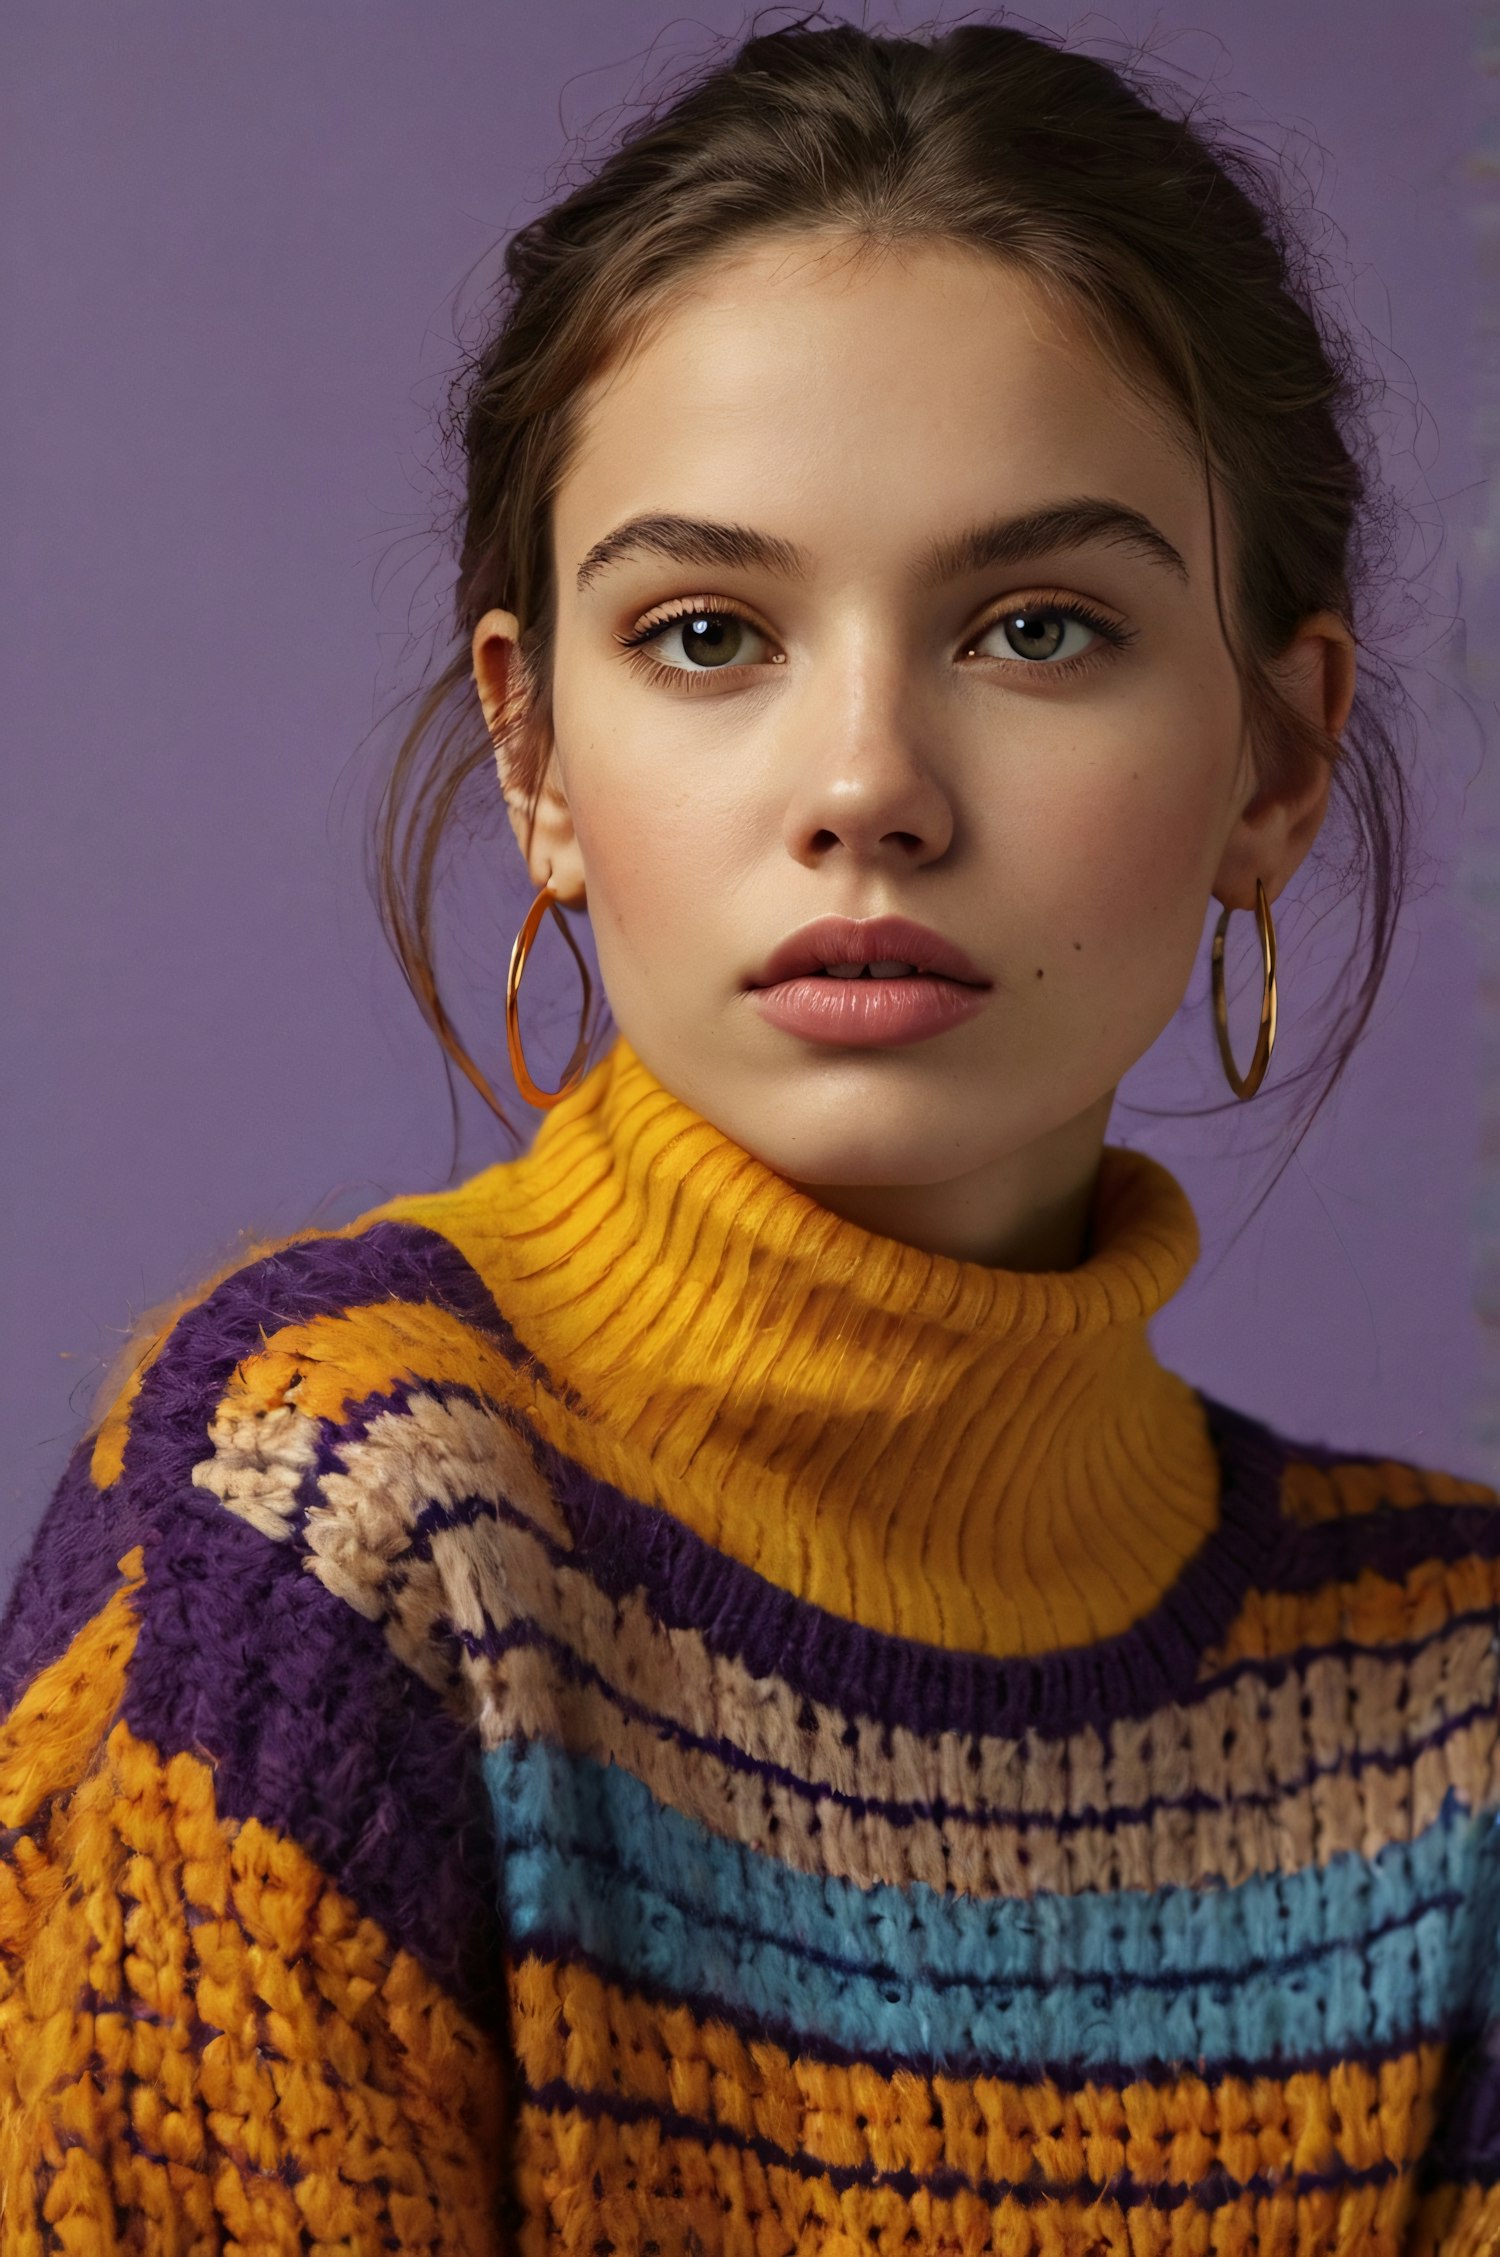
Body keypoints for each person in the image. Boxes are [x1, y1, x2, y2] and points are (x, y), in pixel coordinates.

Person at [1, 17, 1494, 2254]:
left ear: (1278, 760)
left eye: (1039, 627)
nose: (868, 781)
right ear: (536, 755)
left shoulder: (1458, 1693)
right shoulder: (333, 1522)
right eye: (710, 632)